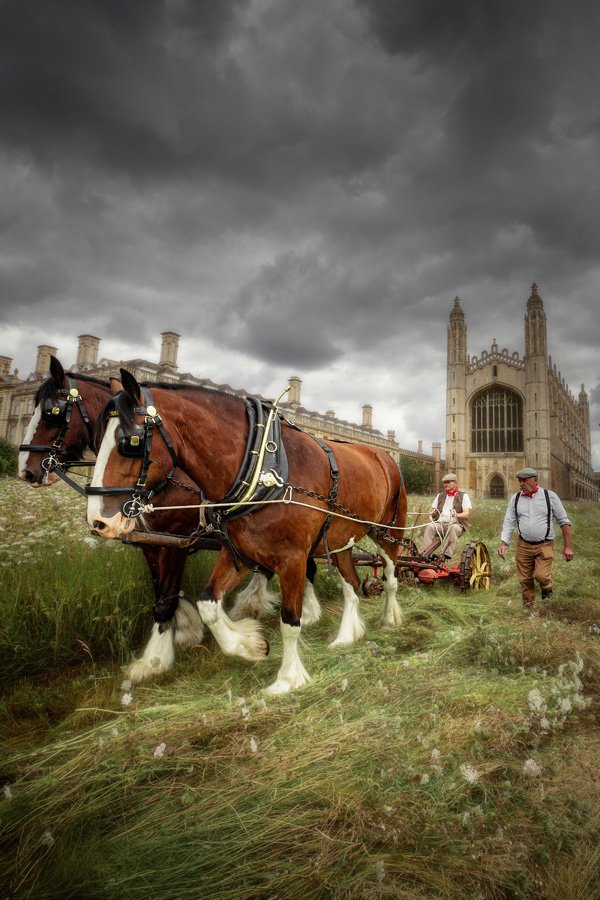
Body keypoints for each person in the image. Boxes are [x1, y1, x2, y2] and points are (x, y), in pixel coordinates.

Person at [498, 467, 574, 609]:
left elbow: (564, 521)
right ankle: (528, 610)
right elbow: (509, 521)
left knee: (541, 576)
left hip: (544, 545)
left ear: (535, 480)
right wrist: (503, 543)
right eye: (520, 481)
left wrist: (568, 547)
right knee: (525, 580)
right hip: (523, 545)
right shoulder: (515, 499)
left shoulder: (549, 496)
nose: (521, 484)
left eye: (525, 480)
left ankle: (547, 593)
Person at [420, 473, 472, 560]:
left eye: (448, 482)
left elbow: (466, 514)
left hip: (456, 524)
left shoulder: (463, 496)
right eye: (444, 482)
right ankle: (424, 554)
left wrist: (456, 514)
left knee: (452, 528)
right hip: (440, 523)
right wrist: (432, 513)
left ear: (455, 482)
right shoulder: (440, 496)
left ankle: (444, 555)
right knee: (430, 526)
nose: (446, 484)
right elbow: (432, 509)